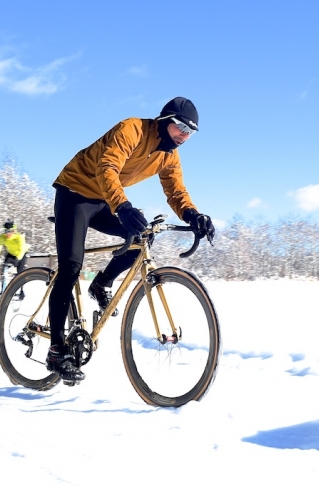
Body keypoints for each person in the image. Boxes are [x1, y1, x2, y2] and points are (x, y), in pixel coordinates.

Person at [47, 96, 216, 381]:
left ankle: (102, 283)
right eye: (180, 128)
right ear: (165, 120)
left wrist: (192, 215)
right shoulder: (132, 129)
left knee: (140, 239)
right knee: (71, 268)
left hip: (102, 197)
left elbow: (176, 191)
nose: (184, 136)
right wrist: (122, 207)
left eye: (190, 133)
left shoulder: (169, 155)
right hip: (74, 192)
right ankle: (55, 351)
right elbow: (107, 168)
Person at [0, 220, 30, 298]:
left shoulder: (19, 237)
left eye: (10, 231)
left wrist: (18, 259)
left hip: (21, 254)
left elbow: (22, 249)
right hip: (11, 254)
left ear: (14, 231)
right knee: (4, 269)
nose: (8, 233)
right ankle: (3, 290)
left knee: (19, 273)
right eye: (6, 231)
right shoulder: (2, 237)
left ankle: (21, 291)